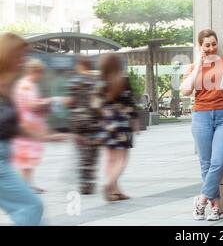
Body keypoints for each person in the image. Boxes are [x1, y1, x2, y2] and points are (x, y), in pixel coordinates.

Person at [0, 33, 73, 226]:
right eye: (20, 55)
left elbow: (11, 127)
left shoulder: (7, 86)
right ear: (8, 55)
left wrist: (48, 136)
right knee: (31, 207)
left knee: (31, 209)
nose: (23, 61)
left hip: (4, 158)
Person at [181, 29, 223, 221]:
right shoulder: (193, 67)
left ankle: (201, 200)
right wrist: (199, 65)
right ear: (200, 46)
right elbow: (185, 91)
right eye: (207, 45)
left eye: (213, 44)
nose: (211, 48)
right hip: (201, 116)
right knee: (206, 164)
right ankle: (216, 207)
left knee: (219, 161)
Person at [98, 53, 139, 202]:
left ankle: (115, 191)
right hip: (122, 123)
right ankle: (108, 184)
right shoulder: (123, 81)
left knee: (110, 159)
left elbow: (97, 105)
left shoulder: (101, 82)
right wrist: (135, 121)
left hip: (107, 123)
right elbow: (130, 103)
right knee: (122, 159)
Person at [12, 59, 53, 194]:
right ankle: (26, 186)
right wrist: (46, 102)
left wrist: (41, 102)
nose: (40, 76)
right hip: (27, 128)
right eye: (39, 73)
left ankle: (29, 184)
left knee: (29, 158)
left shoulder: (28, 84)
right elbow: (31, 105)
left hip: (30, 127)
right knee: (26, 158)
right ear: (33, 71)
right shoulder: (26, 85)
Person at [66, 56, 103, 195]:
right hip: (94, 122)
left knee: (82, 153)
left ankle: (83, 183)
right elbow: (99, 103)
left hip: (78, 123)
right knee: (93, 153)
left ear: (80, 65)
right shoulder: (97, 82)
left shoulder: (74, 81)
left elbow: (70, 101)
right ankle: (90, 182)